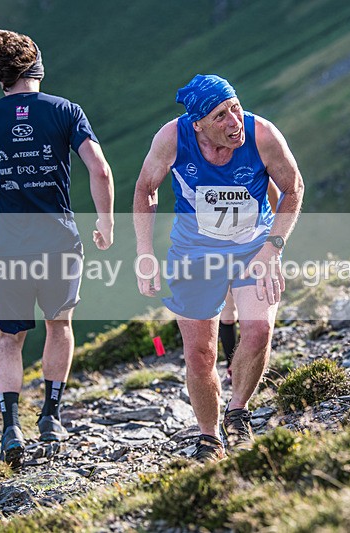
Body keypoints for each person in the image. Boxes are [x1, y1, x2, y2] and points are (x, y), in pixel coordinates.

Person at [0, 29, 114, 468]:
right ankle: (51, 415)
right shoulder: (67, 111)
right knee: (59, 325)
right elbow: (100, 171)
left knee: (9, 338)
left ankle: (11, 427)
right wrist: (105, 222)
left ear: (1, 78)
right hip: (59, 238)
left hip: (7, 244)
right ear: (38, 71)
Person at [133, 74, 303, 462]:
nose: (234, 121)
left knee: (259, 330)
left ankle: (238, 411)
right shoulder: (172, 139)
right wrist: (144, 251)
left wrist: (273, 248)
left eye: (236, 109)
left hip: (253, 249)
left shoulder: (263, 135)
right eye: (221, 115)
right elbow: (145, 188)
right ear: (198, 125)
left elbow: (293, 187)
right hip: (195, 253)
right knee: (200, 354)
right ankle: (209, 437)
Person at [219, 181, 280, 386]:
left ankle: (249, 369)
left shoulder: (257, 175)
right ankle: (233, 368)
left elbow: (276, 202)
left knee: (254, 318)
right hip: (219, 253)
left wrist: (270, 241)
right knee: (227, 315)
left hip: (252, 252)